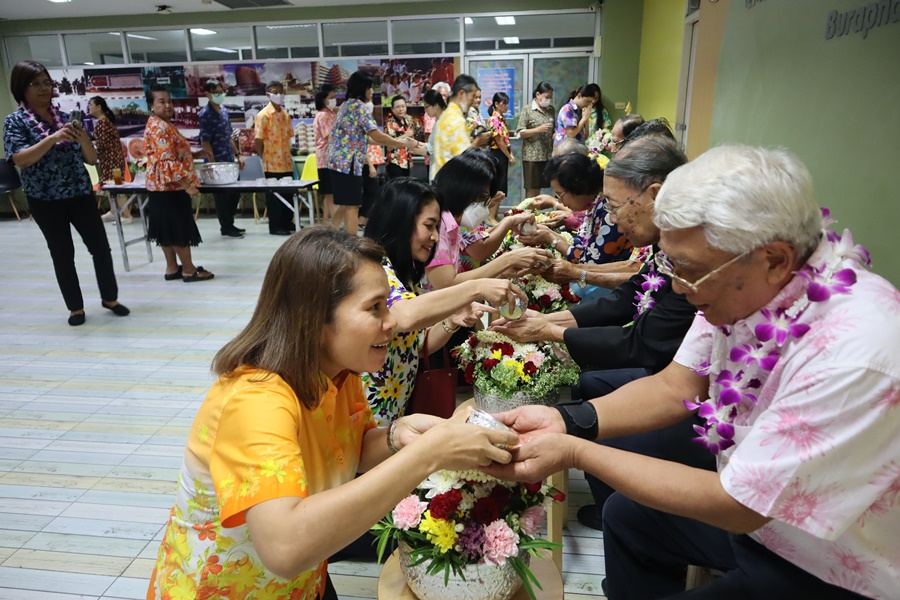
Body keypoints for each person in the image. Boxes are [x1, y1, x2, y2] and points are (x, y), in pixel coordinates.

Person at [486, 145, 900, 600]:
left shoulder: (855, 353)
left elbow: (740, 505)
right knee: (627, 516)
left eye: (688, 270)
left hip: (828, 563)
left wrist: (573, 451)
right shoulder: (734, 284)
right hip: (761, 525)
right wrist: (566, 420)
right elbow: (675, 386)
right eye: (671, 264)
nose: (678, 288)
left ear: (775, 259)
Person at [145, 226, 519, 600]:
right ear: (315, 319)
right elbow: (284, 548)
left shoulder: (340, 372)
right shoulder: (255, 400)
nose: (391, 321)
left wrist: (395, 435)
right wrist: (428, 454)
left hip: (307, 583)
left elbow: (349, 449)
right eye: (375, 307)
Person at [492, 137, 711, 531]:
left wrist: (547, 330)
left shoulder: (693, 259)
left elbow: (642, 344)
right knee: (592, 387)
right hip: (672, 379)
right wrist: (551, 320)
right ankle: (616, 506)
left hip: (694, 403)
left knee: (600, 432)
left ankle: (635, 515)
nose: (613, 218)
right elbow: (628, 297)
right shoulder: (669, 245)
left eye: (613, 205)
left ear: (655, 195)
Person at [362, 178, 525, 425]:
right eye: (429, 226)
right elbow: (404, 317)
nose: (435, 237)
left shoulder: (406, 274)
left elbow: (416, 345)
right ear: (400, 221)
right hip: (367, 411)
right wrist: (477, 287)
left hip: (394, 409)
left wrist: (451, 321)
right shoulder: (373, 269)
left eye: (437, 226)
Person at [3, 60, 129, 326]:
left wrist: (82, 139)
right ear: (21, 88)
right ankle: (75, 308)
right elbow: (20, 159)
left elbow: (92, 159)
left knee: (100, 248)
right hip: (45, 200)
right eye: (35, 84)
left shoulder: (66, 117)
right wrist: (51, 138)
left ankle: (110, 298)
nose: (43, 88)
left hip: (80, 194)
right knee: (62, 254)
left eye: (46, 83)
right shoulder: (15, 121)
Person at [423, 150, 553, 291]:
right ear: (463, 190)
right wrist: (508, 260)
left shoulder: (451, 223)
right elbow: (447, 285)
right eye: (483, 198)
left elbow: (455, 278)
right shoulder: (437, 225)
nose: (485, 207)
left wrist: (501, 273)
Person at [322, 71, 418, 235]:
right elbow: (376, 135)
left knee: (345, 203)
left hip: (337, 162)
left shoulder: (346, 105)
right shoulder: (359, 107)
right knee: (352, 206)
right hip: (347, 163)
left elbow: (364, 138)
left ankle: (329, 236)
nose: (372, 91)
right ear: (363, 89)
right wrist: (402, 143)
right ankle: (352, 244)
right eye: (370, 87)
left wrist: (398, 142)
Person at [517, 153, 633, 275]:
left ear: (577, 187)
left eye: (560, 195)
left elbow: (589, 262)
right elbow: (581, 242)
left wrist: (550, 238)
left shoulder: (609, 212)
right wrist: (548, 233)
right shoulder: (595, 204)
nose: (560, 201)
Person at [143, 84, 214, 282]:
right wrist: (187, 186)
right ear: (151, 105)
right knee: (177, 227)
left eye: (169, 101)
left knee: (166, 228)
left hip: (160, 187)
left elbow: (174, 154)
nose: (167, 105)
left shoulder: (159, 124)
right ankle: (189, 270)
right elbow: (167, 163)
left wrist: (196, 154)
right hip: (171, 187)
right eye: (161, 102)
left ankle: (172, 268)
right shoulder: (160, 128)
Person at [199, 79, 245, 239]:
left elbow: (229, 136)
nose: (219, 95)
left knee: (235, 193)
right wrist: (212, 163)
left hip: (229, 160)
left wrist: (238, 154)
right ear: (207, 94)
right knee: (222, 197)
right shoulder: (205, 114)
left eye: (221, 92)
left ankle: (230, 223)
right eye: (215, 92)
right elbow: (205, 141)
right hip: (216, 162)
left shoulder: (224, 111)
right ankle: (226, 227)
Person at [429, 75, 491, 181]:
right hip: (452, 180)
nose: (473, 101)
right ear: (461, 94)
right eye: (473, 96)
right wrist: (478, 142)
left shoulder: (448, 114)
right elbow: (463, 159)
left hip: (443, 178)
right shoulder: (455, 119)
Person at [254, 80, 295, 236]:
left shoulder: (285, 115)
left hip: (286, 161)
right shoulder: (263, 116)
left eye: (280, 92)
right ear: (267, 95)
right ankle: (276, 226)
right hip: (271, 163)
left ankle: (287, 222)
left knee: (288, 194)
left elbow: (290, 136)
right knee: (274, 197)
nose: (278, 95)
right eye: (274, 92)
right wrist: (263, 157)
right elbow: (258, 140)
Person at [89, 95, 131, 224]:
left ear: (99, 107)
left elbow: (102, 143)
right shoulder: (104, 120)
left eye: (91, 105)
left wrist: (90, 144)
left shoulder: (103, 122)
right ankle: (114, 211)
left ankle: (126, 215)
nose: (89, 107)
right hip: (109, 159)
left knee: (116, 185)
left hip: (112, 160)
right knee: (109, 185)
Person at [516, 81, 555, 198]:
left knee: (539, 189)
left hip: (546, 155)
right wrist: (537, 130)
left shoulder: (551, 110)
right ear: (538, 95)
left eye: (550, 97)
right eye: (546, 97)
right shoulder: (527, 110)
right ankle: (529, 210)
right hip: (531, 156)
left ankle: (536, 209)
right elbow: (520, 133)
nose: (548, 100)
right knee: (531, 189)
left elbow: (554, 129)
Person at [313, 85, 337, 225]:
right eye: (331, 97)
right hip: (327, 159)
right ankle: (334, 223)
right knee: (331, 193)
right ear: (323, 99)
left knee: (329, 193)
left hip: (327, 159)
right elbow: (331, 136)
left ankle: (326, 222)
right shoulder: (323, 115)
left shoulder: (330, 113)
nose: (334, 100)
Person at [487, 92, 514, 198]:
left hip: (503, 154)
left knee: (501, 187)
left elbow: (506, 140)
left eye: (507, 103)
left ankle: (496, 209)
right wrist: (509, 156)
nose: (507, 106)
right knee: (496, 187)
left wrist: (510, 154)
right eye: (504, 103)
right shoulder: (494, 119)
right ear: (497, 104)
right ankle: (493, 209)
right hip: (496, 154)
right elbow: (499, 141)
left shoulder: (501, 119)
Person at [384, 95, 415, 179]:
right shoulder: (390, 123)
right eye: (398, 107)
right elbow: (390, 144)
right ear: (392, 109)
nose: (401, 109)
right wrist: (405, 135)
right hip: (395, 161)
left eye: (403, 106)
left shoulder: (408, 120)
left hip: (407, 160)